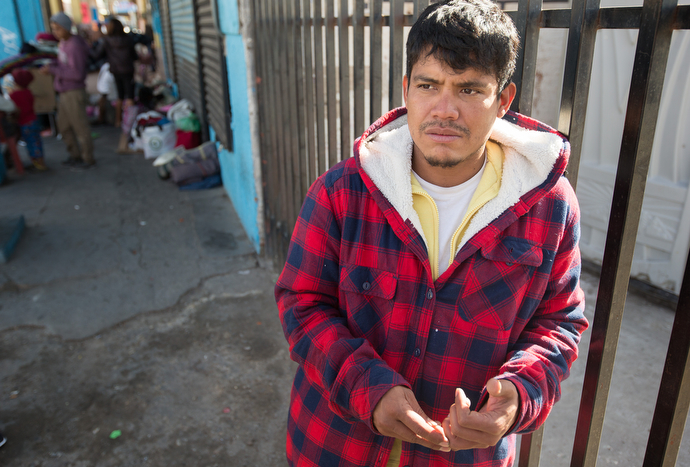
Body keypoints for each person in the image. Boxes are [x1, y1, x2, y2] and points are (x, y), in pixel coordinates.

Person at [274, 1, 589, 466]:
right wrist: (367, 387)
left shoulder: (549, 207)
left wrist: (519, 394)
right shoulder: (341, 192)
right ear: (407, 90)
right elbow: (301, 304)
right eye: (429, 85)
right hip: (334, 448)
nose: (445, 110)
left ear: (503, 101)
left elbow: (558, 323)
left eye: (469, 90)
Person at [40, 12, 94, 169]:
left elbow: (77, 74)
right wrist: (51, 68)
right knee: (64, 127)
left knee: (80, 127)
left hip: (74, 92)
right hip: (63, 92)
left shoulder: (75, 45)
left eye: (58, 28)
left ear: (66, 28)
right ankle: (75, 155)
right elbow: (63, 66)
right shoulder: (63, 43)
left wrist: (53, 70)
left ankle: (87, 158)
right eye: (53, 29)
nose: (55, 32)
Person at [90, 17, 138, 130]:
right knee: (130, 95)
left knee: (120, 95)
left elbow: (97, 55)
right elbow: (134, 55)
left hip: (116, 71)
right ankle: (130, 122)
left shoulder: (106, 40)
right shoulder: (128, 39)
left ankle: (118, 121)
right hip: (128, 70)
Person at [9, 68, 47, 171]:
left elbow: (16, 110)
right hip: (34, 120)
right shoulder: (28, 92)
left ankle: (38, 164)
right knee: (37, 141)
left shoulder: (13, 95)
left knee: (30, 143)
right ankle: (40, 162)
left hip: (24, 123)